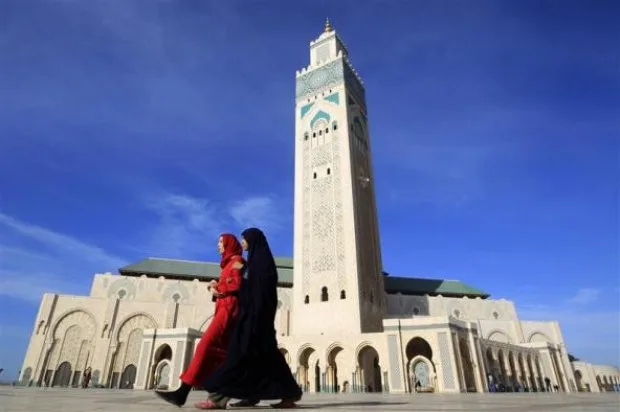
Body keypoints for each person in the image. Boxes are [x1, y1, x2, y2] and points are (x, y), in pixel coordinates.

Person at [197, 228, 302, 410]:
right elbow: (250, 285)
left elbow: (260, 290)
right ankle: (280, 395)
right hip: (254, 319)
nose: (242, 243)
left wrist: (244, 273)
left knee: (237, 356)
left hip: (256, 320)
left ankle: (216, 399)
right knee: (267, 360)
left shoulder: (262, 262)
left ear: (253, 240)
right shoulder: (254, 262)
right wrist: (245, 271)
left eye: (244, 239)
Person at [155, 234, 245, 407]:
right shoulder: (226, 265)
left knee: (204, 345)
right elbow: (228, 283)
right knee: (221, 354)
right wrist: (215, 285)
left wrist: (216, 286)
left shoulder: (239, 260)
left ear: (229, 244)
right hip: (223, 308)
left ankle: (182, 392)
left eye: (221, 242)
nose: (218, 245)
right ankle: (219, 395)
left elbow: (237, 284)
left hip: (228, 310)